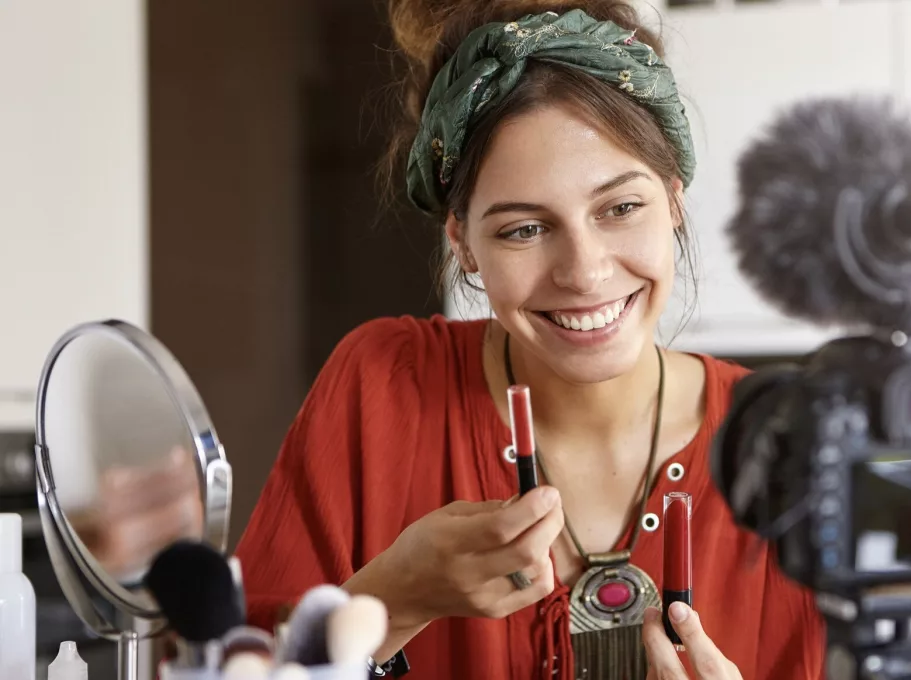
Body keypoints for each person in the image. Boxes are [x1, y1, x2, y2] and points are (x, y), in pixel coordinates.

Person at [234, 1, 825, 678]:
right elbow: (230, 663)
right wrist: (395, 598)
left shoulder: (787, 447)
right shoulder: (381, 387)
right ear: (464, 243)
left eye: (621, 208)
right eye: (524, 228)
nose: (585, 272)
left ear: (674, 198)